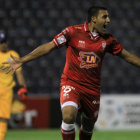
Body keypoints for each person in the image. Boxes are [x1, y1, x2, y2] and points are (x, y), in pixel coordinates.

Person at [2, 6, 140, 140]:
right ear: (93, 19)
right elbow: (49, 46)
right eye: (105, 17)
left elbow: (127, 56)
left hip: (92, 89)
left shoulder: (108, 39)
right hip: (71, 82)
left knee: (87, 127)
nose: (108, 20)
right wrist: (23, 60)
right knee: (68, 116)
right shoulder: (72, 32)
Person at [0, 31, 27, 140]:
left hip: (7, 90)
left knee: (3, 117)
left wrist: (23, 87)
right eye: (1, 42)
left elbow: (19, 73)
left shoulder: (13, 55)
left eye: (5, 41)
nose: (3, 44)